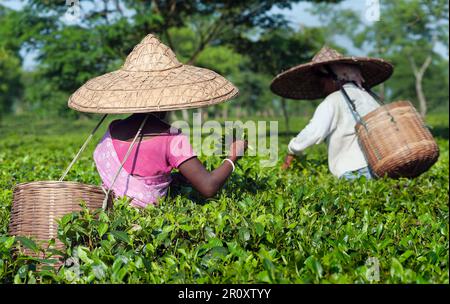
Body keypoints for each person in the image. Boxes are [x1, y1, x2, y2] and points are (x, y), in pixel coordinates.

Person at [68, 34, 246, 207]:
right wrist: (233, 156)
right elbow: (208, 187)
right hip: (148, 221)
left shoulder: (113, 128)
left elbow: (138, 176)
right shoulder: (172, 138)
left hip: (111, 216)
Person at [270, 46, 394, 180]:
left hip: (354, 172)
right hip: (380, 167)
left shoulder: (334, 100)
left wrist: (292, 150)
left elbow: (313, 132)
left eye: (322, 81)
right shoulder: (368, 97)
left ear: (333, 78)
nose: (322, 86)